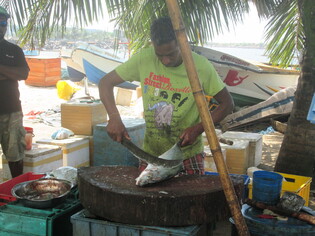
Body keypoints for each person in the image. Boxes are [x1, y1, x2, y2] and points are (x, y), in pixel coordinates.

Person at [98, 17, 234, 175]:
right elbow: (105, 83)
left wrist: (198, 128)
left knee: (190, 197)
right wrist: (114, 117)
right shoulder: (144, 59)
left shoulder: (200, 66)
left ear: (181, 42)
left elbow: (227, 103)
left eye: (171, 54)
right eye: (159, 55)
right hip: (151, 154)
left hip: (187, 154)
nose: (165, 61)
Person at [0, 6, 30, 178]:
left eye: (3, 23)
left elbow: (23, 74)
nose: (0, 27)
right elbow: (16, 73)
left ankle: (17, 189)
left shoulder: (14, 50)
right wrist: (9, 73)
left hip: (12, 112)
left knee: (16, 157)